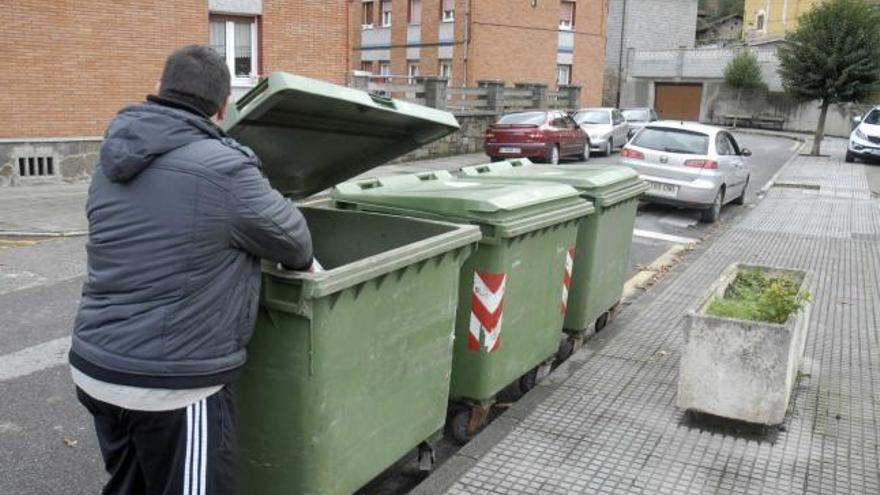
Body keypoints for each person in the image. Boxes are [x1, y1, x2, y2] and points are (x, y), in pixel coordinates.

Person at [69, 45, 313, 495]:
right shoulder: (224, 169)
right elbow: (297, 244)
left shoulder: (111, 159)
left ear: (161, 90)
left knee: (130, 487)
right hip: (172, 386)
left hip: (96, 366)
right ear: (223, 108)